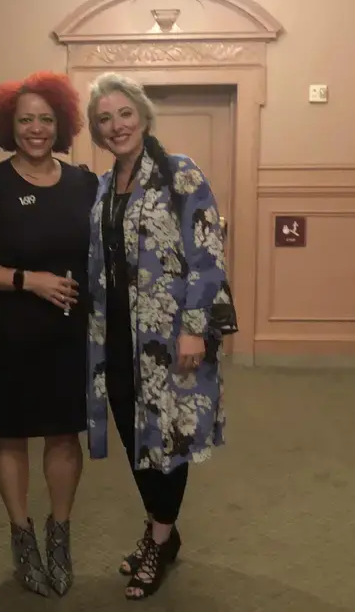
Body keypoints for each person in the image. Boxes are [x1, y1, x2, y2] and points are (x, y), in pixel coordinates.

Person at [84, 72, 230, 601]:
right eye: (104, 119)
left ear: (143, 117)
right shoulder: (104, 185)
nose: (116, 125)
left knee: (168, 442)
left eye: (124, 113)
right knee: (135, 437)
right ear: (97, 132)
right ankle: (161, 531)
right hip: (115, 338)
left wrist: (195, 329)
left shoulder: (180, 174)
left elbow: (208, 253)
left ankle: (160, 539)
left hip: (169, 340)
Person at [0, 71, 97, 597]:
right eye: (25, 120)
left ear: (60, 123)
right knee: (10, 434)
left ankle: (60, 535)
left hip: (68, 333)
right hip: (8, 333)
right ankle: (23, 536)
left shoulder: (84, 182)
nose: (36, 129)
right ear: (6, 126)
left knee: (64, 433)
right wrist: (26, 280)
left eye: (45, 119)